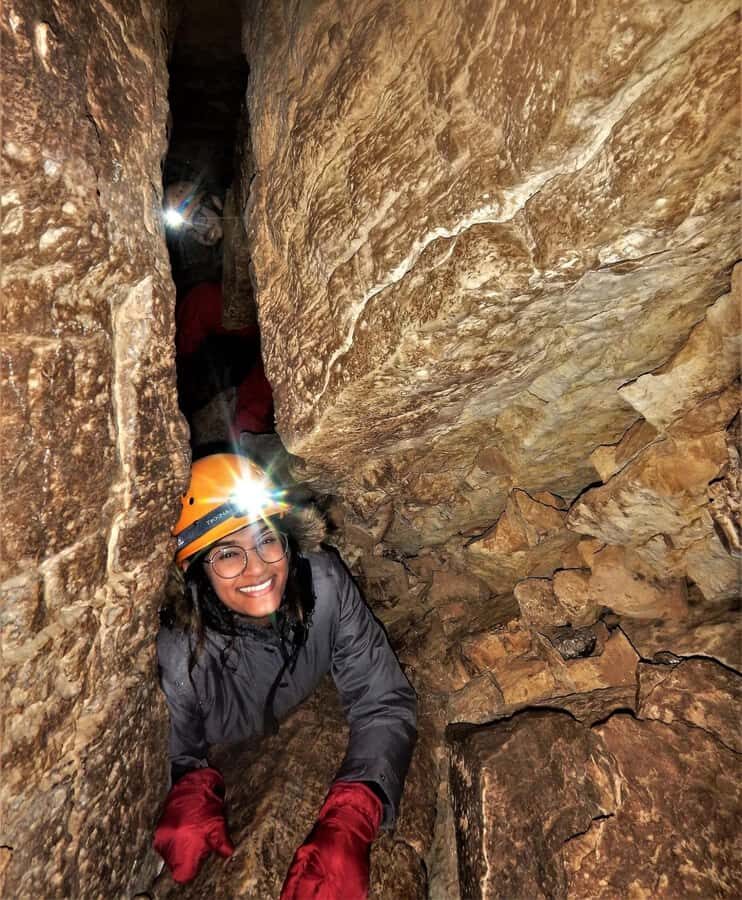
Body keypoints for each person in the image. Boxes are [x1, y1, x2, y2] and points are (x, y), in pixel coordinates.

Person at [153, 453, 417, 898]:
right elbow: (176, 746)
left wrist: (354, 815)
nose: (257, 568)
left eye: (266, 540)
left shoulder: (325, 583)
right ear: (197, 572)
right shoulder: (183, 654)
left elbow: (383, 699)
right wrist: (188, 783)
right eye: (227, 554)